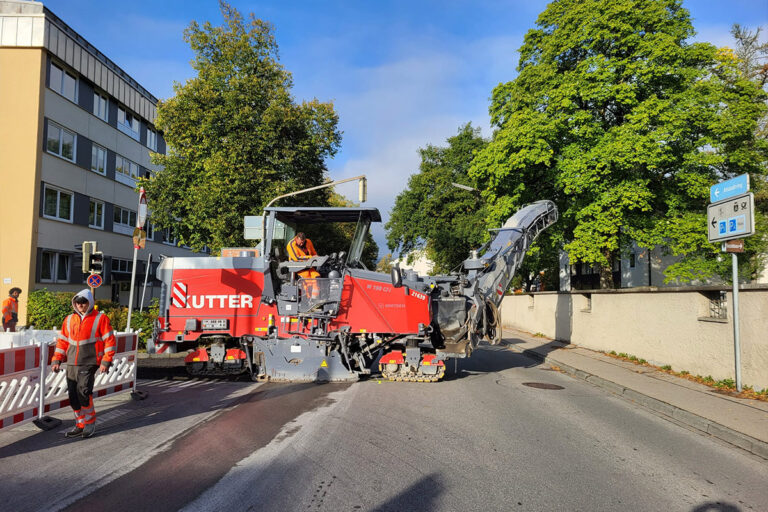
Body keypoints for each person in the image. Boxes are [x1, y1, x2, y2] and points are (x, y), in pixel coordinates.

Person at [51, 289, 116, 438]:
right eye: (78, 302)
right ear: (74, 303)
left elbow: (110, 341)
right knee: (73, 395)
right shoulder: (68, 320)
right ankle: (80, 424)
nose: (80, 305)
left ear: (90, 303)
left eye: (84, 302)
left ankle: (89, 423)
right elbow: (62, 342)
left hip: (90, 361)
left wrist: (106, 361)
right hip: (72, 362)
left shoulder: (101, 318)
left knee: (84, 391)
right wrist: (57, 359)